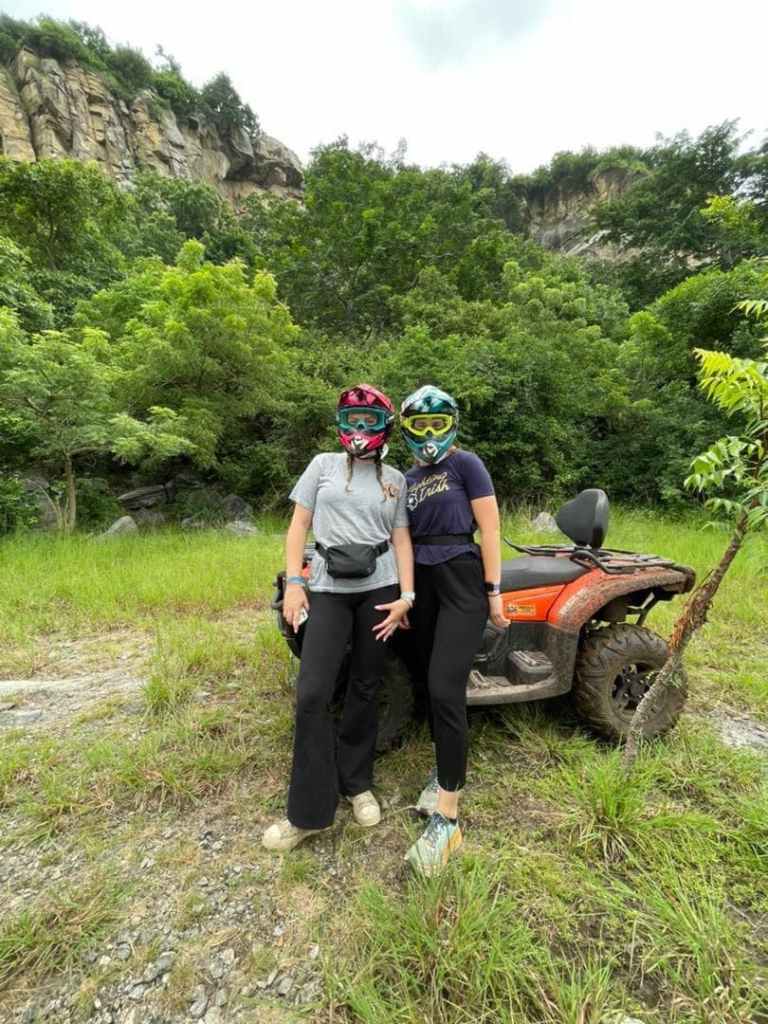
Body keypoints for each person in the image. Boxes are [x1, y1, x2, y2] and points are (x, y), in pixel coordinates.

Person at [263, 384, 414, 853]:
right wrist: (294, 582)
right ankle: (306, 813)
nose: (360, 429)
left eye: (369, 421)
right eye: (353, 420)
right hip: (326, 589)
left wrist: (407, 595)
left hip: (379, 590)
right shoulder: (322, 466)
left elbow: (402, 540)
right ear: (340, 425)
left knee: (366, 687)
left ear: (385, 427)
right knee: (312, 693)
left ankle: (357, 783)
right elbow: (298, 526)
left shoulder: (396, 478)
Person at [399, 385, 507, 875]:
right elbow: (399, 536)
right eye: (419, 425)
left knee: (446, 687)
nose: (428, 435)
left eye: (436, 424)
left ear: (452, 424)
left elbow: (490, 529)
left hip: (462, 579)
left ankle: (449, 817)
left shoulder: (468, 465)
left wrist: (494, 592)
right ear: (406, 430)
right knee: (427, 684)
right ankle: (444, 774)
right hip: (421, 585)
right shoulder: (405, 478)